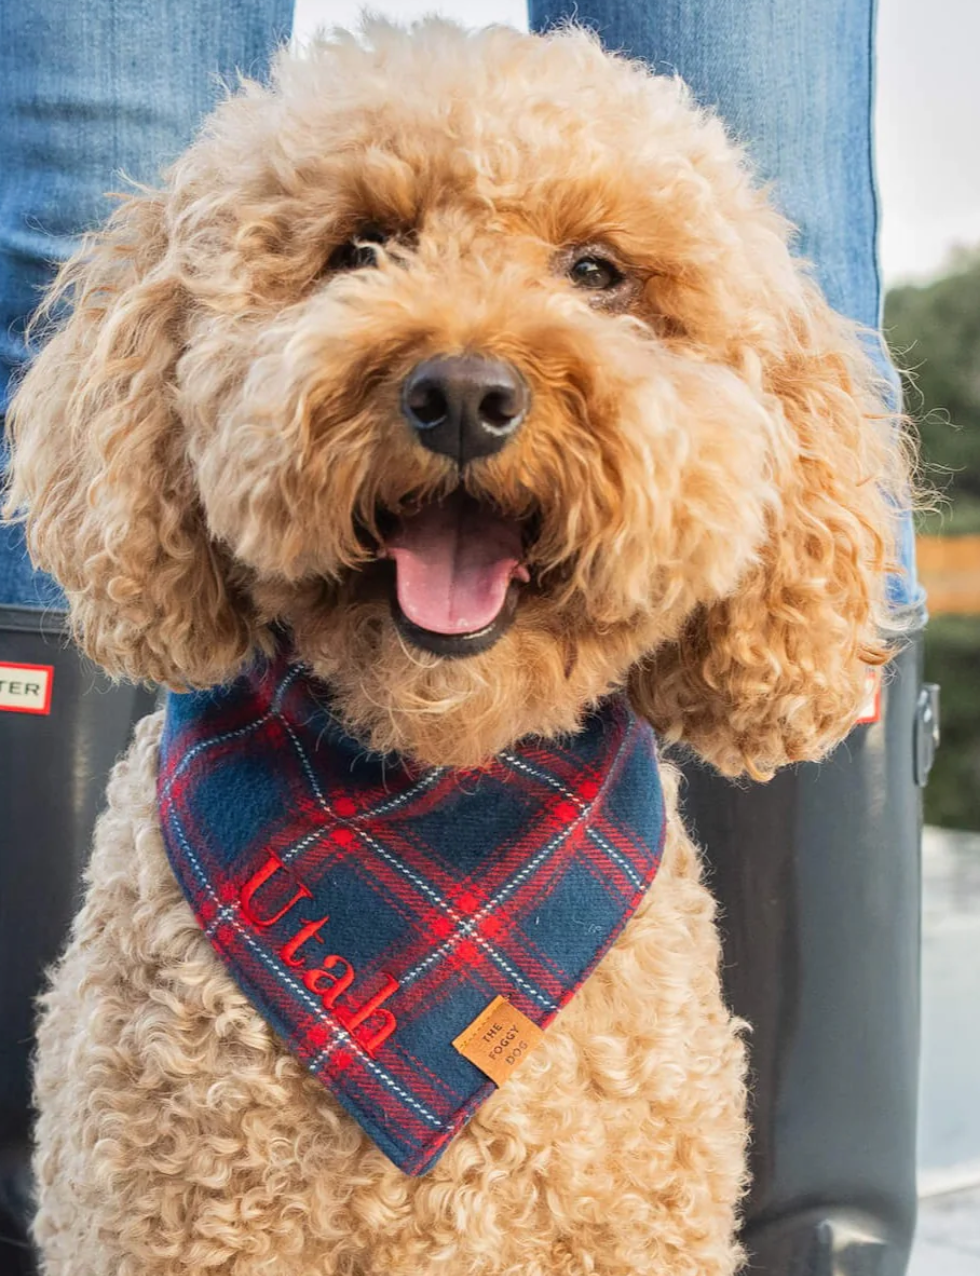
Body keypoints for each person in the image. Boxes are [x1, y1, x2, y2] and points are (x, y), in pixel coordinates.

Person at [0, 2, 925, 1273]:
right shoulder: (157, 964)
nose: (465, 369)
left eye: (596, 275)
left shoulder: (643, 974)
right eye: (361, 247)